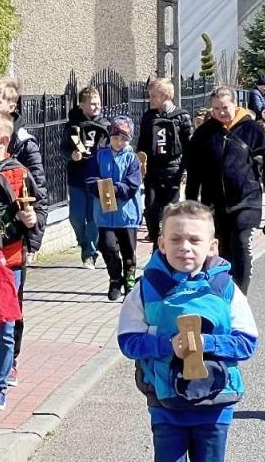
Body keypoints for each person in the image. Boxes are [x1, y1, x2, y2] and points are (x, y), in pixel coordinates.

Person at [116, 199, 260, 462]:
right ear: (160, 243)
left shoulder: (225, 288)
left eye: (194, 240)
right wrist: (168, 346)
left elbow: (248, 342)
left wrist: (205, 343)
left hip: (216, 405)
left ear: (211, 244)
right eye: (176, 239)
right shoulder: (147, 289)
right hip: (167, 405)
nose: (185, 247)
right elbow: (128, 341)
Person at [0, 109, 43, 411]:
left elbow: (37, 210)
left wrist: (31, 221)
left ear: (3, 139)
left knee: (4, 323)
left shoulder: (19, 174)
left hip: (9, 261)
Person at [184, 87, 265, 291]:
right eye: (216, 108)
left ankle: (241, 294)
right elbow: (194, 170)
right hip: (214, 202)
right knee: (220, 248)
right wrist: (191, 202)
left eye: (225, 107)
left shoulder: (252, 129)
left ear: (235, 105)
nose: (221, 112)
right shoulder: (204, 132)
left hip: (246, 200)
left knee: (241, 243)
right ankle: (223, 292)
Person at [137, 76, 193, 245]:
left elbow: (189, 145)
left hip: (173, 170)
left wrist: (186, 169)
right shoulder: (148, 117)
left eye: (154, 96)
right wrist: (141, 160)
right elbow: (143, 142)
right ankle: (154, 237)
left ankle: (171, 240)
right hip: (153, 170)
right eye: (150, 95)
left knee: (171, 208)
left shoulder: (181, 116)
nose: (150, 99)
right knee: (152, 207)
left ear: (166, 96)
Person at [94, 117, 144, 300]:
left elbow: (132, 184)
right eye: (115, 138)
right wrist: (99, 188)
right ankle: (115, 278)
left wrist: (114, 189)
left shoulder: (132, 158)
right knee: (108, 247)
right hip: (104, 213)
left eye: (123, 139)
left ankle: (129, 281)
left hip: (126, 214)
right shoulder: (100, 155)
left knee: (128, 251)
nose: (118, 142)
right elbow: (90, 178)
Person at [64, 86, 111, 267]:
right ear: (82, 105)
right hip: (76, 177)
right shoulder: (72, 125)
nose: (96, 107)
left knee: (94, 217)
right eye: (92, 104)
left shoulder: (106, 124)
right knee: (75, 217)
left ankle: (90, 253)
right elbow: (63, 147)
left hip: (98, 177)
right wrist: (71, 155)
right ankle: (84, 243)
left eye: (98, 103)